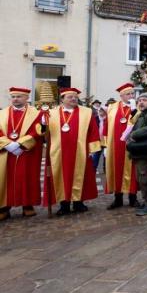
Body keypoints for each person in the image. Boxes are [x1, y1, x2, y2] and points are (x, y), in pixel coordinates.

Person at [44, 87, 101, 216]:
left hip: (80, 151)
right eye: (70, 97)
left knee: (80, 176)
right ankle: (64, 205)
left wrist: (92, 150)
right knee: (61, 176)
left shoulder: (86, 112)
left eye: (75, 97)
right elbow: (43, 133)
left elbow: (93, 130)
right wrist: (43, 123)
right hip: (58, 152)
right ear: (62, 99)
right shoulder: (51, 113)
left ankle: (78, 203)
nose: (74, 99)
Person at [0, 87, 43, 220]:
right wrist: (8, 144)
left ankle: (27, 205)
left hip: (26, 151)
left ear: (26, 98)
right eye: (13, 97)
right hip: (6, 152)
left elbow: (38, 130)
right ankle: (4, 207)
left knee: (27, 177)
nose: (16, 99)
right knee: (4, 179)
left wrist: (20, 144)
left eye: (19, 96)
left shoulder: (36, 113)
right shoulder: (2, 113)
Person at [104, 83, 139, 210]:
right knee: (116, 170)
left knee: (133, 172)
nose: (131, 96)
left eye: (132, 93)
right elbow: (107, 125)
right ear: (121, 95)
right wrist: (105, 144)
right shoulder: (112, 108)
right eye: (128, 94)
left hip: (133, 144)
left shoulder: (138, 107)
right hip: (116, 145)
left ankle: (133, 198)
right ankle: (117, 199)